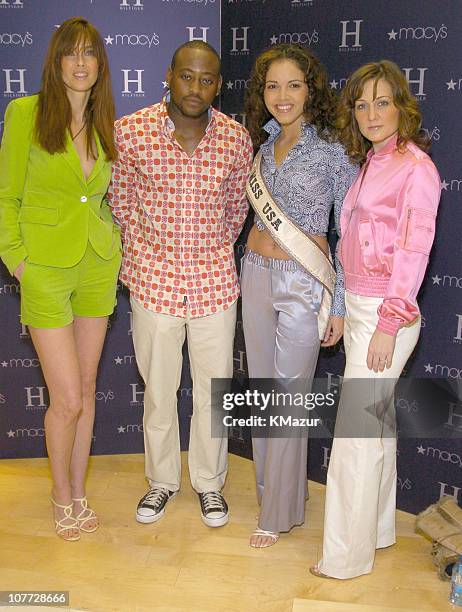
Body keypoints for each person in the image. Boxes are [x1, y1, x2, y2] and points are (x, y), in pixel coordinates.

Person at [107, 41, 253, 528]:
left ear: (219, 84)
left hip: (214, 284)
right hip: (155, 284)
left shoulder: (235, 139)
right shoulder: (131, 132)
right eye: (187, 76)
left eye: (207, 78)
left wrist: (205, 250)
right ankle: (162, 481)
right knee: (160, 390)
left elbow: (236, 212)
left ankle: (209, 484)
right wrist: (153, 256)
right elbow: (122, 204)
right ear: (169, 75)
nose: (196, 87)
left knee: (215, 392)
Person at [310, 60, 441, 579]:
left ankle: (345, 558)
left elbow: (414, 251)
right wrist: (340, 306)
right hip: (363, 309)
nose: (370, 113)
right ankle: (378, 532)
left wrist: (388, 323)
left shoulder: (416, 169)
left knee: (355, 437)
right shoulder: (372, 159)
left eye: (381, 102)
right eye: (361, 104)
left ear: (402, 106)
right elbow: (352, 245)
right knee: (376, 429)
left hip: (389, 313)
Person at [0, 17, 121, 541]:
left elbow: (100, 195)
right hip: (45, 268)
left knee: (89, 389)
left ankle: (79, 489)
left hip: (97, 263)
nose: (79, 62)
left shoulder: (105, 121)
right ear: (55, 61)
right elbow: (7, 195)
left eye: (89, 53)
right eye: (70, 53)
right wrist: (18, 260)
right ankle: (59, 495)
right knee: (66, 398)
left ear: (99, 65)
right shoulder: (25, 113)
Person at [241, 44, 358, 548]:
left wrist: (339, 303)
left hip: (302, 283)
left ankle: (276, 513)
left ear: (311, 89)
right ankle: (279, 496)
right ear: (261, 93)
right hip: (255, 274)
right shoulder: (263, 146)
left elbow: (350, 231)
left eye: (293, 85)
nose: (282, 96)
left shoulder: (334, 149)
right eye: (272, 86)